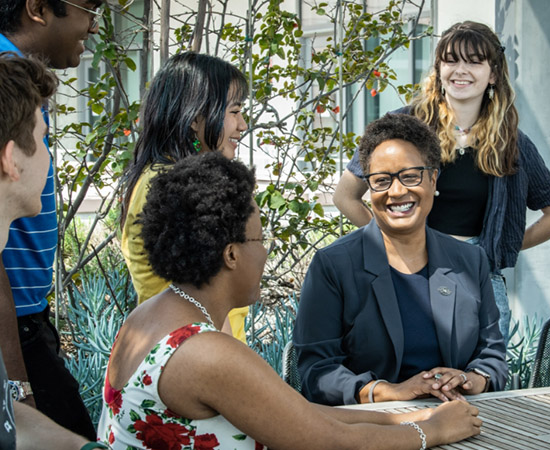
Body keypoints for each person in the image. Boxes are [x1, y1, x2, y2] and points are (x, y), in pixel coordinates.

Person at [101, 152, 482, 449]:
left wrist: (403, 416)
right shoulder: (206, 353)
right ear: (231, 255)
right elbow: (327, 442)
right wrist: (431, 432)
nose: (265, 254)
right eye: (260, 240)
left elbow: (294, 414)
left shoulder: (148, 317)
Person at [333, 21, 550, 343]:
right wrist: (391, 241)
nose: (461, 70)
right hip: (408, 272)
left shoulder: (510, 142)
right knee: (410, 374)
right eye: (451, 60)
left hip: (479, 277)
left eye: (474, 61)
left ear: (493, 74)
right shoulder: (403, 126)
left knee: (483, 381)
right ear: (438, 69)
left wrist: (499, 245)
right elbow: (345, 197)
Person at [295, 114, 507, 407]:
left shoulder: (471, 261)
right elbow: (316, 372)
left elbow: (492, 354)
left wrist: (469, 380)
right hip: (371, 430)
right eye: (382, 181)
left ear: (433, 179)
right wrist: (388, 392)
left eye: (410, 176)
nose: (396, 192)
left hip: (457, 418)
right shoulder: (333, 265)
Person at [0, 0, 102, 440]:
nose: (94, 26)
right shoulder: (6, 77)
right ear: (39, 9)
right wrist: (18, 389)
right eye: (89, 8)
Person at [120, 51, 250, 342]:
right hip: (201, 362)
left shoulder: (157, 176)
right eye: (234, 111)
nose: (242, 125)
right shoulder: (177, 188)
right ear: (195, 118)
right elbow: (204, 302)